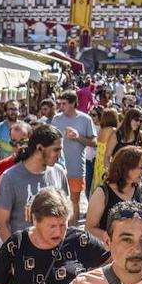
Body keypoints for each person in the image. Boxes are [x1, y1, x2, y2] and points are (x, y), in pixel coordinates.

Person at [0, 124, 67, 243]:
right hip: (22, 252)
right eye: (56, 150)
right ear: (40, 148)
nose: (59, 156)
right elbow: (2, 222)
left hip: (55, 253)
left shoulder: (59, 173)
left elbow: (65, 215)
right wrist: (14, 253)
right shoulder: (10, 177)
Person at [86, 145, 142, 246]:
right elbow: (90, 228)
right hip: (110, 254)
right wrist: (115, 239)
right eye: (140, 167)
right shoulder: (102, 194)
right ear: (125, 169)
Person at [52, 90, 98, 222]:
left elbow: (94, 143)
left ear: (73, 104)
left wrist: (78, 137)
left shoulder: (85, 119)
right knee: (57, 202)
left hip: (76, 168)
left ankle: (73, 233)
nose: (61, 106)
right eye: (60, 103)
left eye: (64, 104)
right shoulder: (56, 119)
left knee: (74, 202)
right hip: (57, 167)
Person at [0, 121, 30, 194]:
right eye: (14, 142)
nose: (18, 146)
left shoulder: (39, 164)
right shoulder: (2, 166)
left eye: (22, 141)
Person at [91, 107, 120, 191]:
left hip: (98, 160)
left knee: (98, 184)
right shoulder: (113, 130)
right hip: (107, 158)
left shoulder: (101, 129)